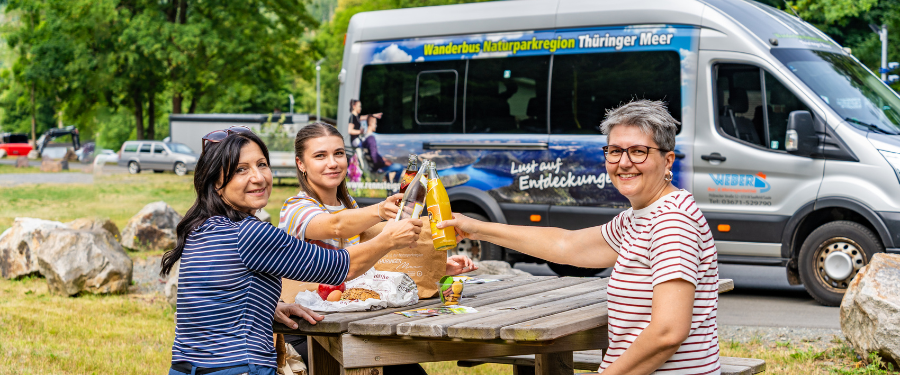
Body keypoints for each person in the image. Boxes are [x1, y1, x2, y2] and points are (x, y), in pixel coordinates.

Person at [438, 100, 720, 374]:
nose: (623, 162)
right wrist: (475, 228)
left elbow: (668, 333)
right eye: (614, 151)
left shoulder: (671, 222)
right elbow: (567, 245)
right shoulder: (639, 217)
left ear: (667, 160)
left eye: (638, 152)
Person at [160, 125, 423, 375]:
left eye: (262, 164)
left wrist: (265, 305)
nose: (258, 177)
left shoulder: (201, 227)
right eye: (241, 170)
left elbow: (213, 297)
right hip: (239, 366)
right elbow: (341, 267)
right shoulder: (249, 232)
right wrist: (389, 238)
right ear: (216, 181)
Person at [277, 123, 476, 373]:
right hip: (308, 330)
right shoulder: (295, 207)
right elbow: (336, 227)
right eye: (320, 156)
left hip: (352, 321)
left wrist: (432, 265)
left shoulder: (349, 205)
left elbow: (370, 262)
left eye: (339, 153)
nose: (333, 162)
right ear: (300, 164)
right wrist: (379, 210)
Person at [360, 115, 405, 181]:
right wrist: (384, 163)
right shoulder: (371, 139)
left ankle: (390, 189)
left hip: (374, 166)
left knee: (390, 166)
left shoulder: (365, 138)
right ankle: (395, 188)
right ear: (370, 124)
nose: (376, 126)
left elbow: (374, 154)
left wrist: (384, 159)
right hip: (378, 168)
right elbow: (374, 157)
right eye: (375, 123)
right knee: (400, 167)